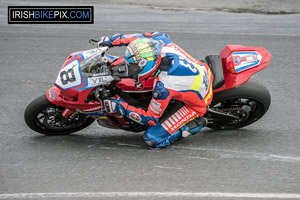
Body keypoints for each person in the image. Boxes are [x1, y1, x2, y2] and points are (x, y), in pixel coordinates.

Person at [99, 32, 213, 148]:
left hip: (198, 102)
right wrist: (111, 41)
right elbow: (144, 37)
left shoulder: (163, 86)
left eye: (134, 67)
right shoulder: (160, 42)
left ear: (148, 65)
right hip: (202, 69)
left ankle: (194, 124)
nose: (130, 70)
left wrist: (120, 106)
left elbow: (150, 118)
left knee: (152, 139)